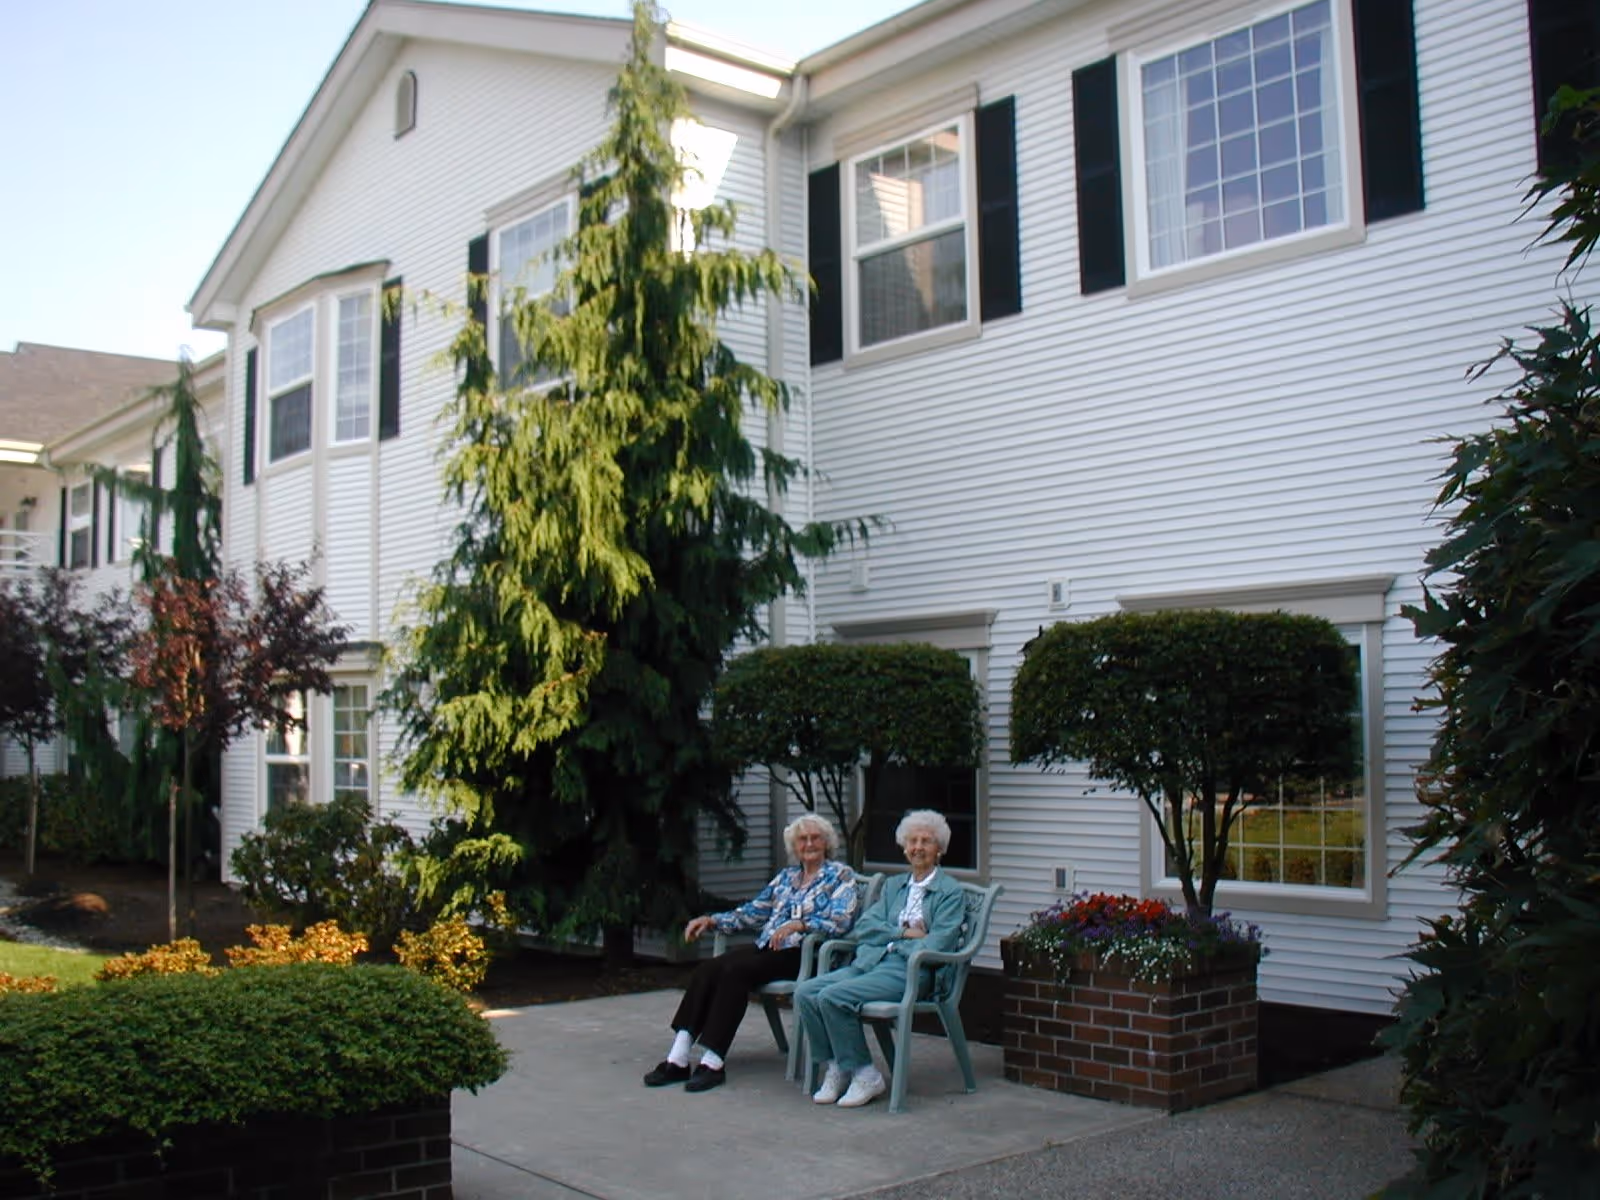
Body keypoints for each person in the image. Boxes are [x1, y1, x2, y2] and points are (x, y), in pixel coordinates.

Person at [642, 813, 860, 1093]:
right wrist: (713, 920)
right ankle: (679, 1057)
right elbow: (754, 912)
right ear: (794, 846)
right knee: (707, 969)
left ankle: (713, 1061)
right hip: (769, 949)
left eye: (815, 837)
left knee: (736, 972)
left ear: (827, 842)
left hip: (807, 954)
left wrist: (803, 924)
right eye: (802, 839)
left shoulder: (840, 876)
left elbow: (843, 921)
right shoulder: (787, 877)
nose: (809, 843)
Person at [794, 808, 964, 1109]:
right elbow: (865, 927)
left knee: (834, 996)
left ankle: (865, 1073)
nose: (918, 848)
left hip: (911, 972)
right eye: (912, 841)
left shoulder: (949, 892)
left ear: (940, 849)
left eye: (926, 841)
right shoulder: (895, 886)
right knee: (806, 992)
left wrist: (894, 942)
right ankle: (838, 1065)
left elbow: (940, 941)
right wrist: (902, 932)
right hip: (870, 963)